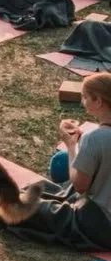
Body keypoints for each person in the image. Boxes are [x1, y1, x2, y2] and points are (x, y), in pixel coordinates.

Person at [6, 73, 111, 251]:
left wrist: (71, 146)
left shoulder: (95, 138)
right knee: (38, 190)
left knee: (15, 208)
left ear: (98, 101)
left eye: (85, 97)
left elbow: (79, 185)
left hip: (99, 224)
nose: (82, 102)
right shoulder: (95, 137)